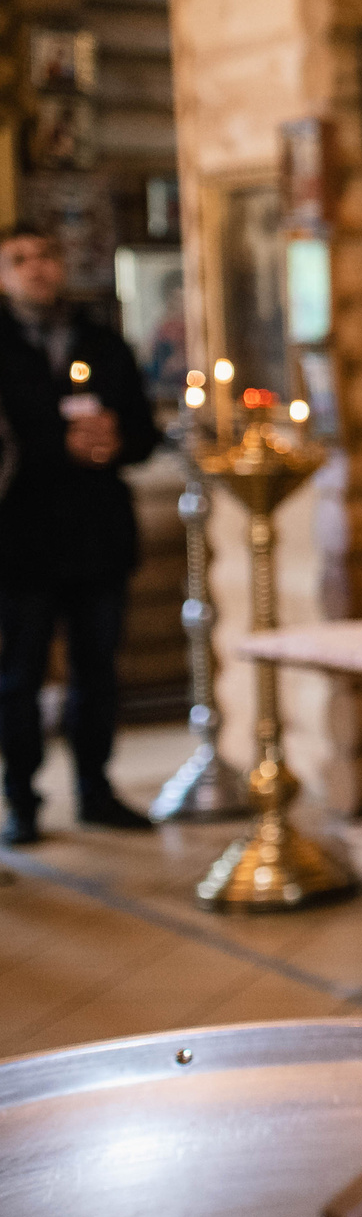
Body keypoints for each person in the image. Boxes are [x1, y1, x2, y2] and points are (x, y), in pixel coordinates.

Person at [0, 224, 159, 843]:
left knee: (98, 671)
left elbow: (143, 430)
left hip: (97, 535)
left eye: (45, 256)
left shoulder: (102, 341)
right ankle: (23, 801)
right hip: (22, 539)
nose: (36, 268)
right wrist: (57, 446)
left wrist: (118, 442)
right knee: (19, 678)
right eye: (19, 259)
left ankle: (96, 789)